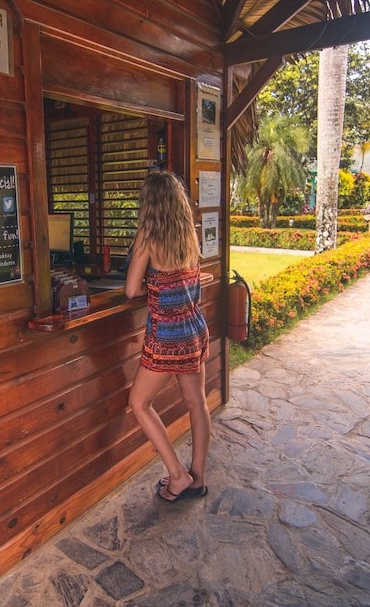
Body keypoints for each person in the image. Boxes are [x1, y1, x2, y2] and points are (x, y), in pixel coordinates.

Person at [125, 169, 211, 502]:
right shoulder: (188, 232)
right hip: (194, 329)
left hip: (166, 337)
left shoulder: (147, 236)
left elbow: (131, 290)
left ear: (148, 203)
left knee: (139, 403)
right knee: (197, 403)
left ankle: (177, 476)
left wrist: (151, 284)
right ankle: (197, 478)